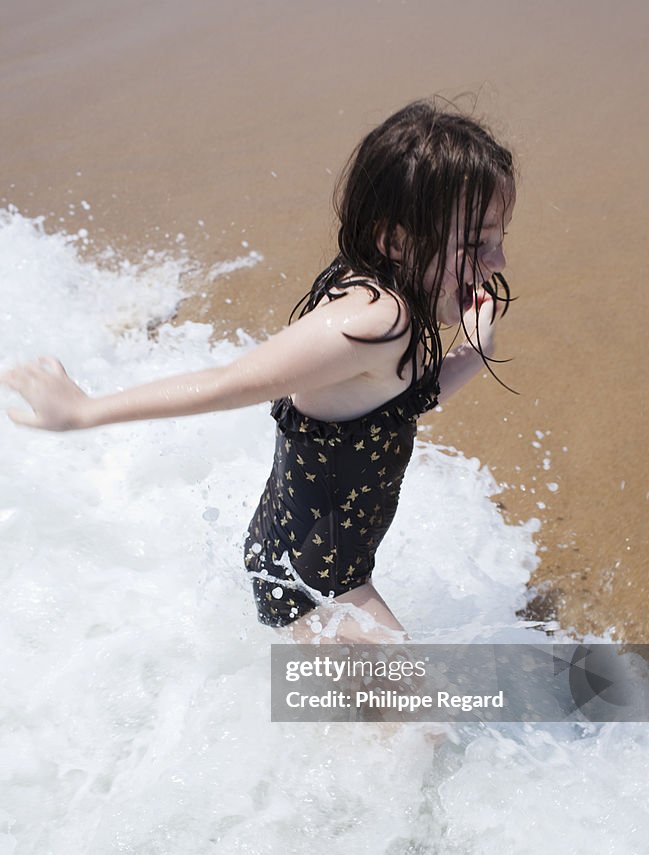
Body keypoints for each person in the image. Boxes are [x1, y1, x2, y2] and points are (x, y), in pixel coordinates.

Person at [0, 98, 515, 643]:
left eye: (501, 237)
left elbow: (406, 397)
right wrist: (85, 411)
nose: (498, 261)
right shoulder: (374, 320)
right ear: (394, 240)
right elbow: (231, 383)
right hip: (311, 582)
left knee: (379, 719)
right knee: (420, 721)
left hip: (305, 563)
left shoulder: (390, 309)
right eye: (477, 243)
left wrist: (474, 351)